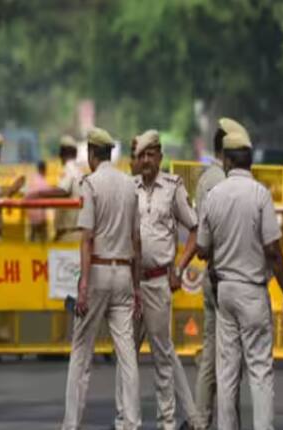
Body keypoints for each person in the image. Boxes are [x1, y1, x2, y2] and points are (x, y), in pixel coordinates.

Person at [197, 127, 283, 430]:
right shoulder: (260, 195)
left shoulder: (214, 195)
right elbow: (274, 251)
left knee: (226, 371)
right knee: (260, 371)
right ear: (250, 161)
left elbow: (202, 249)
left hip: (224, 291)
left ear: (226, 161)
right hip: (253, 291)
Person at [114, 130, 200, 430]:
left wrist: (179, 267)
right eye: (142, 155)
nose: (146, 160)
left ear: (160, 157)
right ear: (136, 160)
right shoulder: (128, 188)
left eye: (152, 154)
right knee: (126, 355)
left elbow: (195, 229)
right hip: (129, 283)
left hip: (159, 281)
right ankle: (124, 420)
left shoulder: (172, 187)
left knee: (162, 356)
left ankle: (167, 422)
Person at [62, 127, 142, 430]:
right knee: (127, 354)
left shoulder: (90, 184)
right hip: (123, 272)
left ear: (93, 155)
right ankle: (132, 423)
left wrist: (83, 285)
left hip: (96, 272)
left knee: (81, 351)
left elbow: (86, 239)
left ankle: (71, 424)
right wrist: (136, 287)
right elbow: (137, 239)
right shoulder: (129, 185)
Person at [193, 117, 248, 429]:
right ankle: (226, 421)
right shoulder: (222, 181)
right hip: (226, 276)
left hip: (213, 274)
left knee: (213, 355)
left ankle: (202, 418)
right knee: (229, 359)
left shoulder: (207, 178)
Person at [26, 135, 84, 242]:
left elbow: (63, 191)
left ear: (61, 154)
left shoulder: (69, 169)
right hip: (75, 231)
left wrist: (37, 194)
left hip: (69, 233)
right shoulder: (78, 170)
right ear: (75, 153)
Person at [27, 161, 52, 242]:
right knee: (43, 237)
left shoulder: (32, 180)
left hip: (31, 214)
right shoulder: (43, 182)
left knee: (33, 235)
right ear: (44, 170)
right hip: (40, 215)